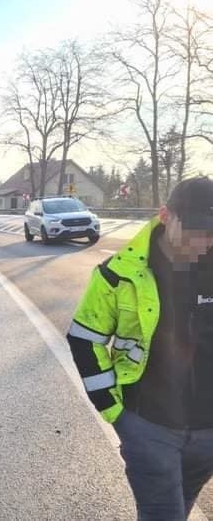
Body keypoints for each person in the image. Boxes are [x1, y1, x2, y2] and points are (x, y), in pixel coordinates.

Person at [67, 177, 213, 521]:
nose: (203, 242)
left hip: (208, 435)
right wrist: (115, 413)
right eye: (194, 230)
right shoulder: (118, 275)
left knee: (182, 505)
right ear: (165, 216)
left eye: (210, 232)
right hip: (150, 429)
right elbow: (84, 338)